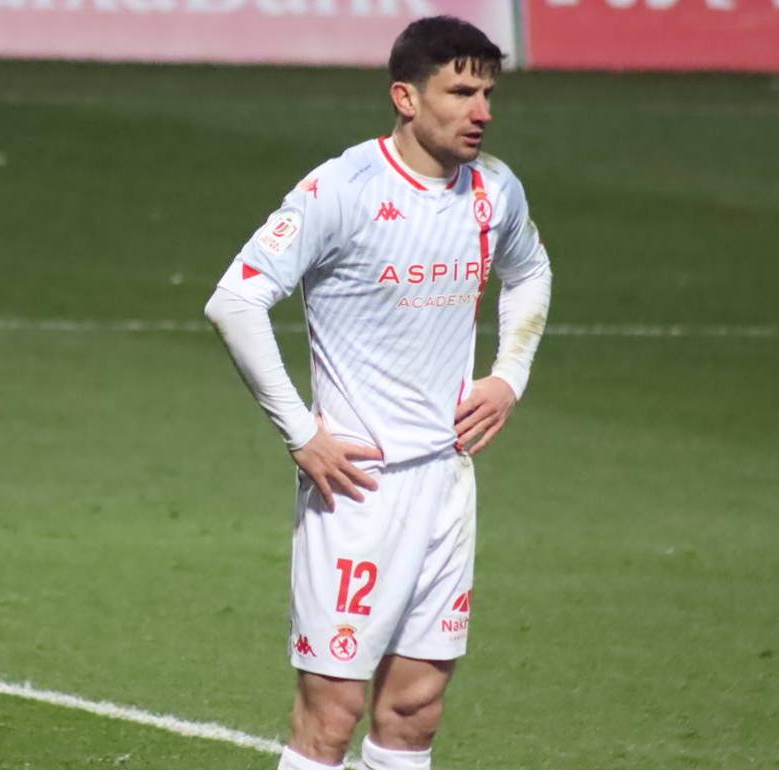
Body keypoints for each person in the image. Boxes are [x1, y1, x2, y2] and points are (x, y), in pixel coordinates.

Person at [204, 15, 552, 770]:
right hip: (357, 492)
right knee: (330, 717)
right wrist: (301, 433)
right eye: (460, 91)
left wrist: (508, 376)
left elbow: (530, 272)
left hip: (447, 483)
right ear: (405, 96)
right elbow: (235, 301)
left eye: (488, 92)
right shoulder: (343, 190)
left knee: (415, 710)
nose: (481, 110)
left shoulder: (495, 191)